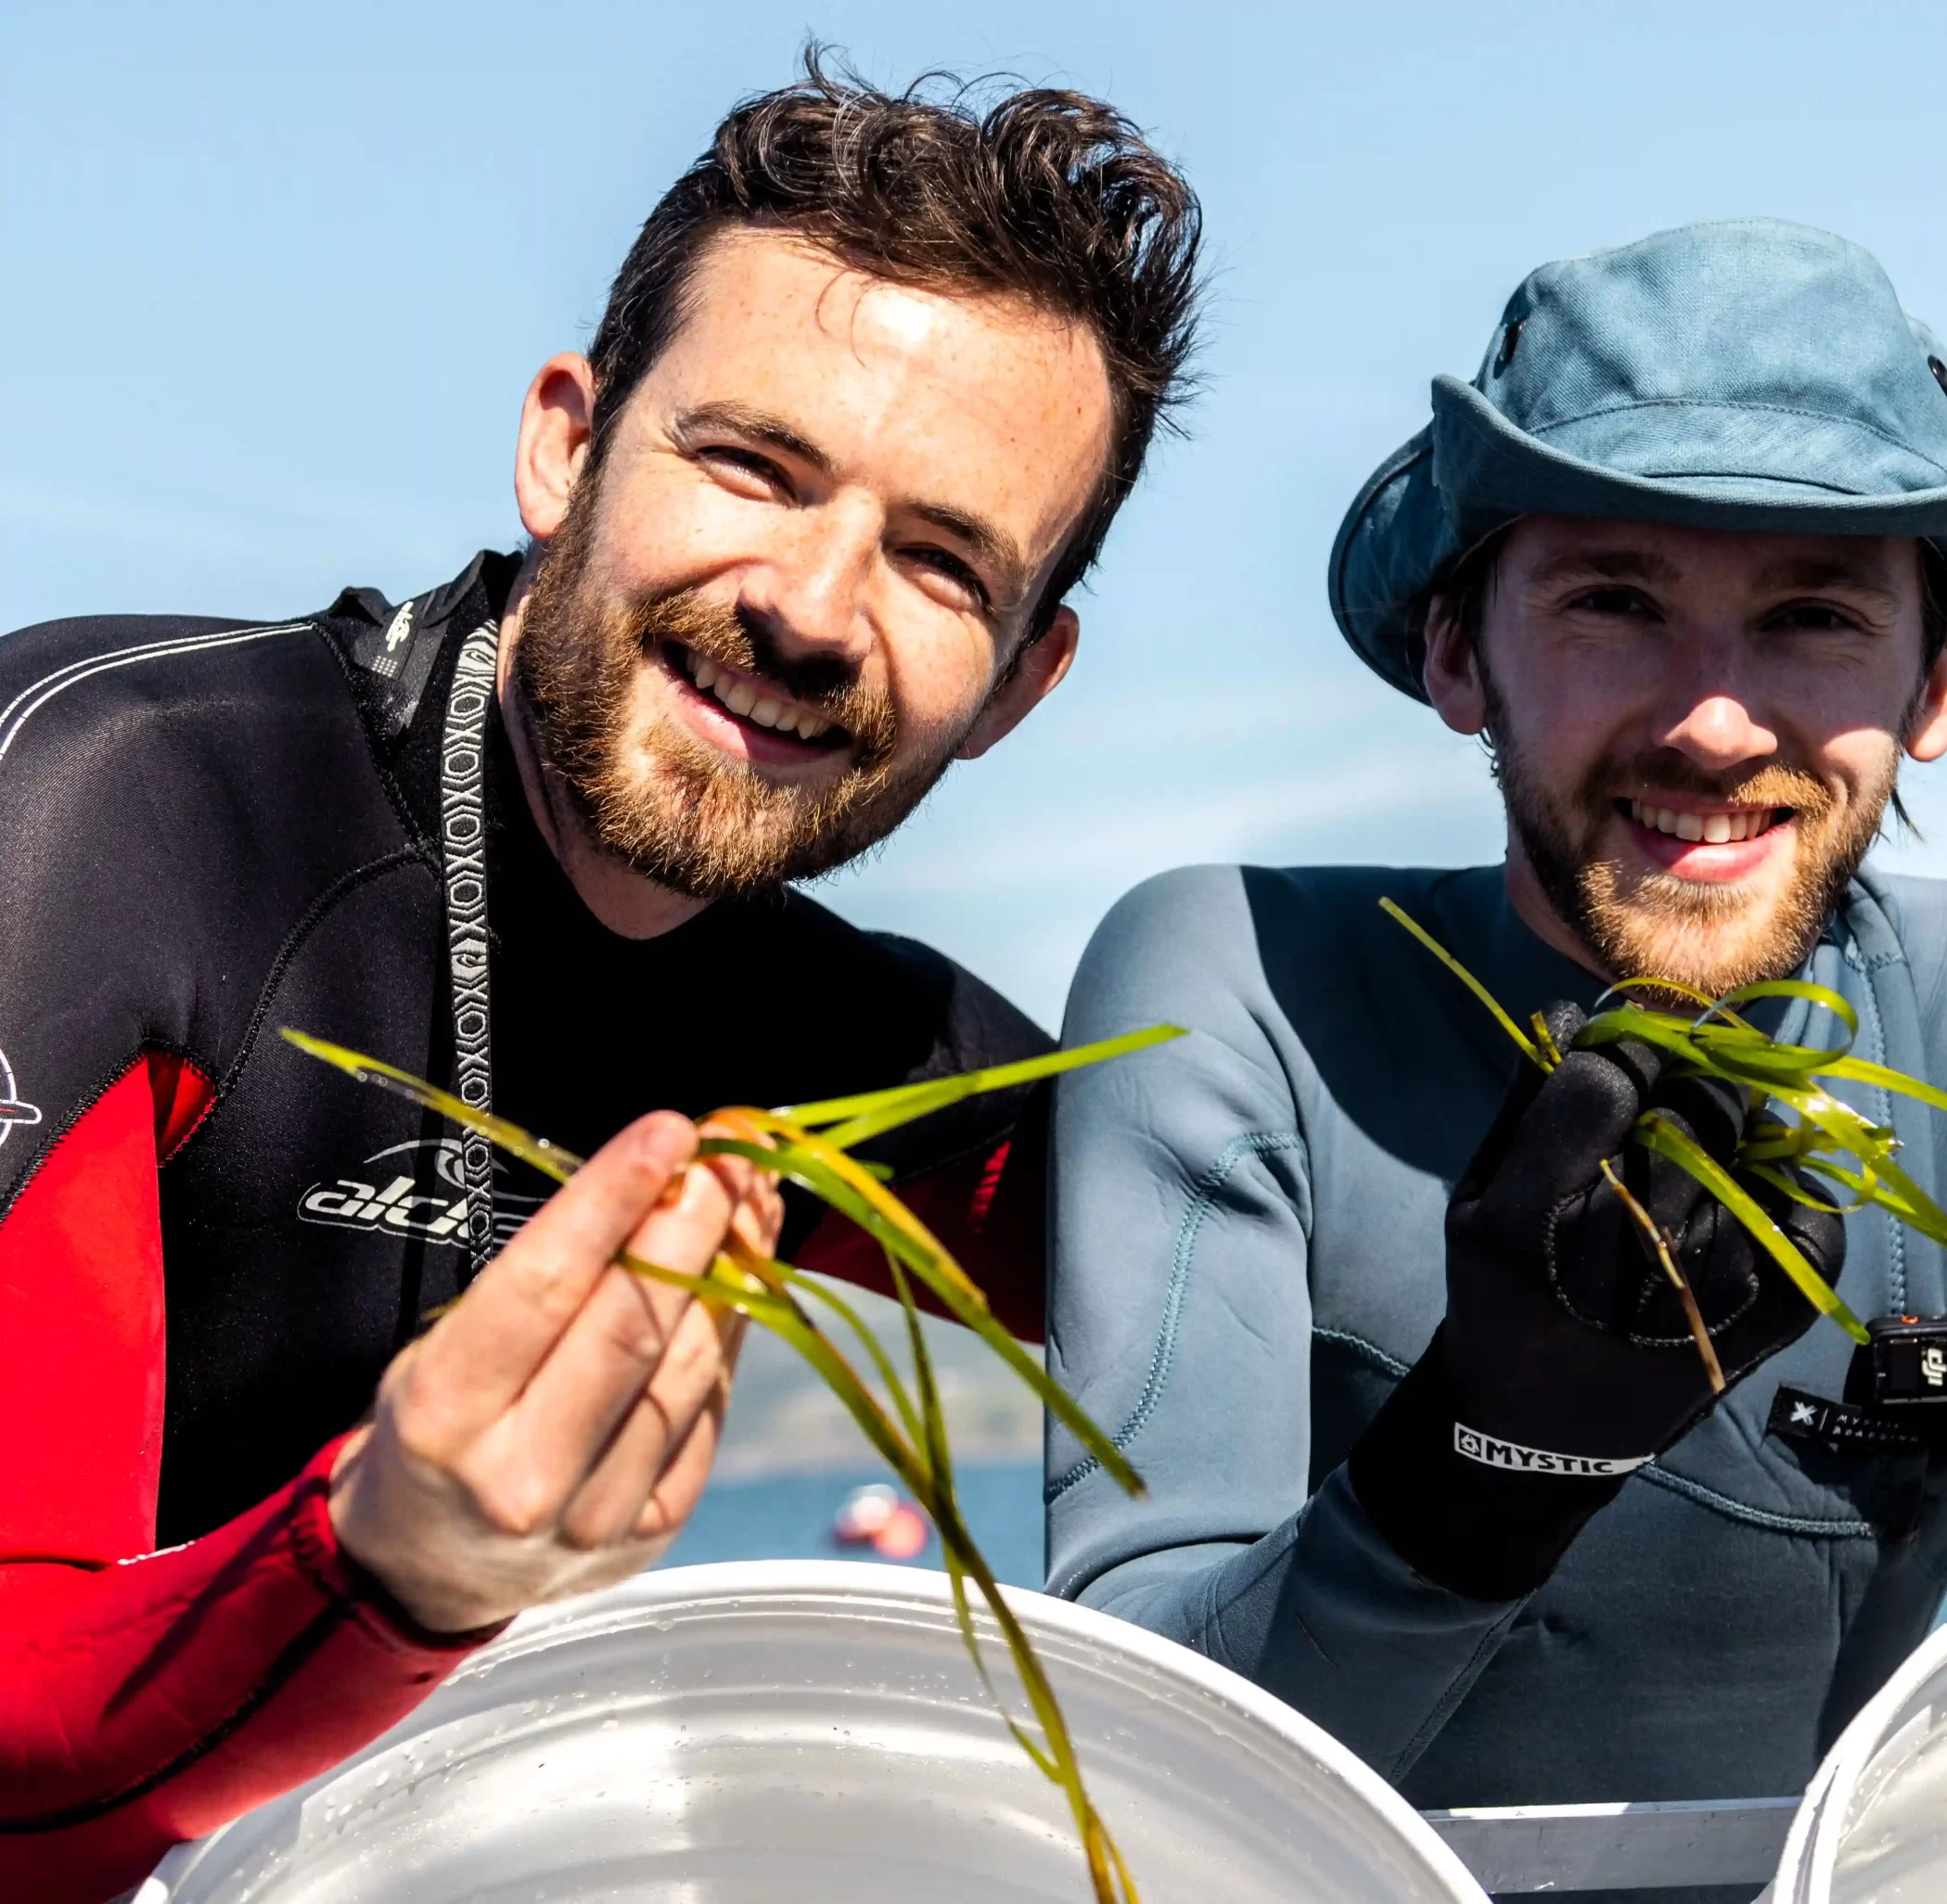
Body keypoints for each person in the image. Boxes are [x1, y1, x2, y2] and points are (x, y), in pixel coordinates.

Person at [0, 56, 1199, 1902]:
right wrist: (388, 1563)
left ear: (1021, 687)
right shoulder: (119, 812)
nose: (809, 604)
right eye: (749, 464)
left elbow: (1310, 1282)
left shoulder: (851, 1049)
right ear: (567, 441)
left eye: (942, 562)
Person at [1043, 221, 1947, 1898]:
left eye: (1810, 615)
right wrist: (1476, 1471)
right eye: (1613, 601)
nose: (1714, 719)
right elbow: (1114, 1781)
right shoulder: (1248, 982)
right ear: (1454, 652)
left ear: (1932, 680)